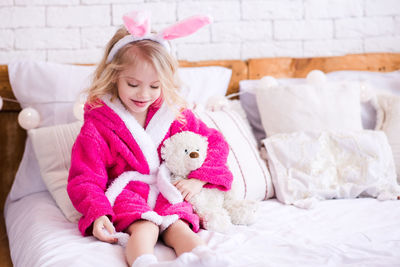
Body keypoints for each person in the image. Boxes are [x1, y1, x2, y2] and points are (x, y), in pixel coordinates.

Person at [67, 11, 233, 267]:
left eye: (155, 86)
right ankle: (144, 262)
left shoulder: (174, 114)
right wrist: (97, 212)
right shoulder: (99, 124)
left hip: (169, 191)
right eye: (133, 84)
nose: (144, 94)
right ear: (114, 77)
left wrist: (198, 180)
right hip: (128, 193)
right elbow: (86, 176)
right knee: (145, 227)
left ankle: (206, 260)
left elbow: (215, 144)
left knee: (180, 227)